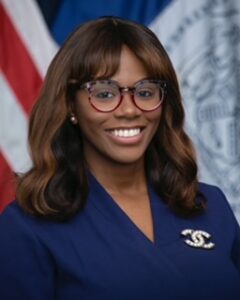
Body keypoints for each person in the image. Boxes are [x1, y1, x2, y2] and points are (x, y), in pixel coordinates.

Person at [0, 16, 239, 300]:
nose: (128, 110)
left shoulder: (210, 206)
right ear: (70, 106)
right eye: (104, 93)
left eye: (145, 92)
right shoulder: (27, 228)